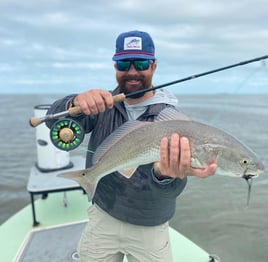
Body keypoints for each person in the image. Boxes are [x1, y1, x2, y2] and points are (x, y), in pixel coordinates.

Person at [46, 30, 217, 262]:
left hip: (150, 226)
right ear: (115, 66)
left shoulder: (173, 120)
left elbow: (172, 191)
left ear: (153, 66)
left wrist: (165, 176)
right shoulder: (101, 105)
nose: (132, 71)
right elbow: (52, 122)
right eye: (124, 63)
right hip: (103, 216)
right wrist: (73, 102)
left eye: (142, 63)